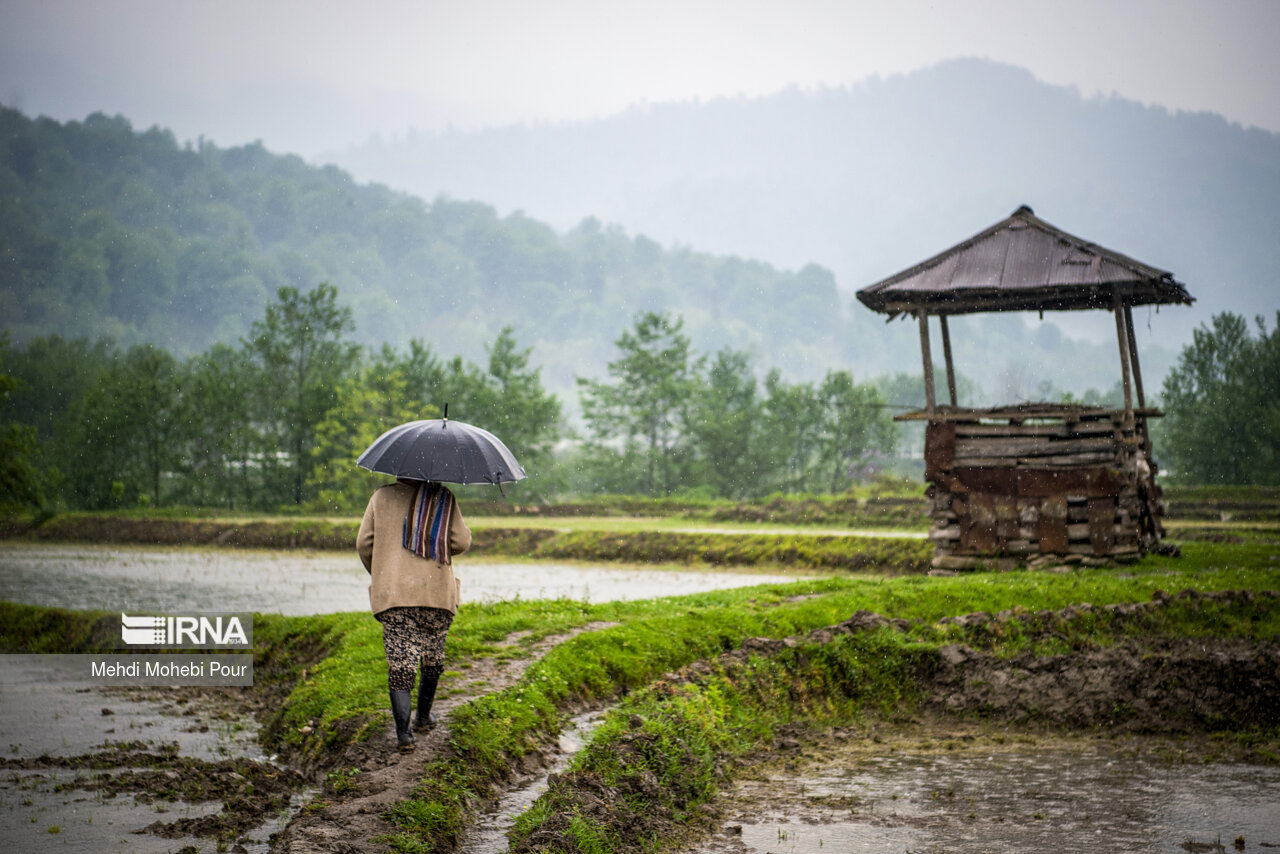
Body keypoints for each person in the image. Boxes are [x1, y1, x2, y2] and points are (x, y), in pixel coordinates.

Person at [357, 478, 471, 752]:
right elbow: (461, 541)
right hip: (435, 593)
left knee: (400, 662)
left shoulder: (381, 497)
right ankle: (422, 716)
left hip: (396, 596)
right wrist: (434, 538)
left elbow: (364, 543)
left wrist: (385, 570)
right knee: (432, 655)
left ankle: (404, 735)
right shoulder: (442, 497)